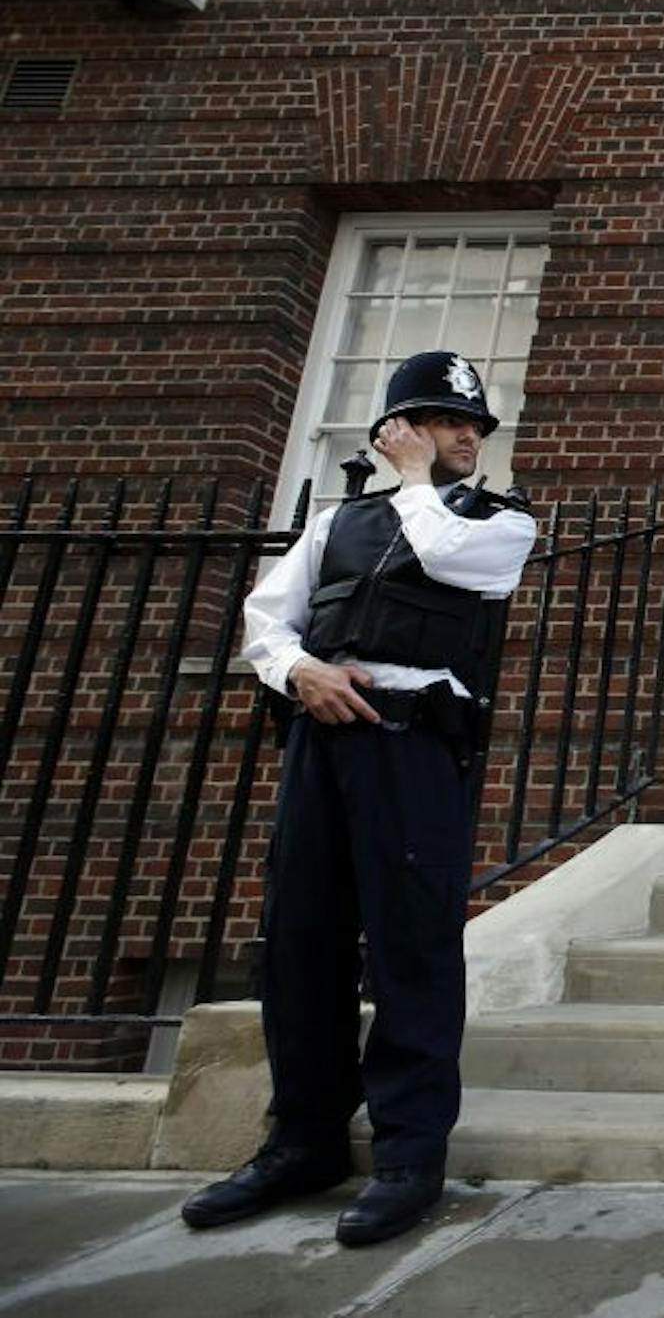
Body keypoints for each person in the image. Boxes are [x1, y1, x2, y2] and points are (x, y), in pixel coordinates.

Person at [182, 350, 536, 1246]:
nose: (462, 435)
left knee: (413, 945)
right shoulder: (340, 522)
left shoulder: (498, 523)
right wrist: (298, 669)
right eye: (439, 420)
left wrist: (416, 477)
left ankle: (411, 1151)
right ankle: (302, 1138)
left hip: (413, 741)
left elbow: (448, 559)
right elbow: (269, 618)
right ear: (394, 430)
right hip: (322, 735)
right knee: (302, 937)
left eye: (470, 424)